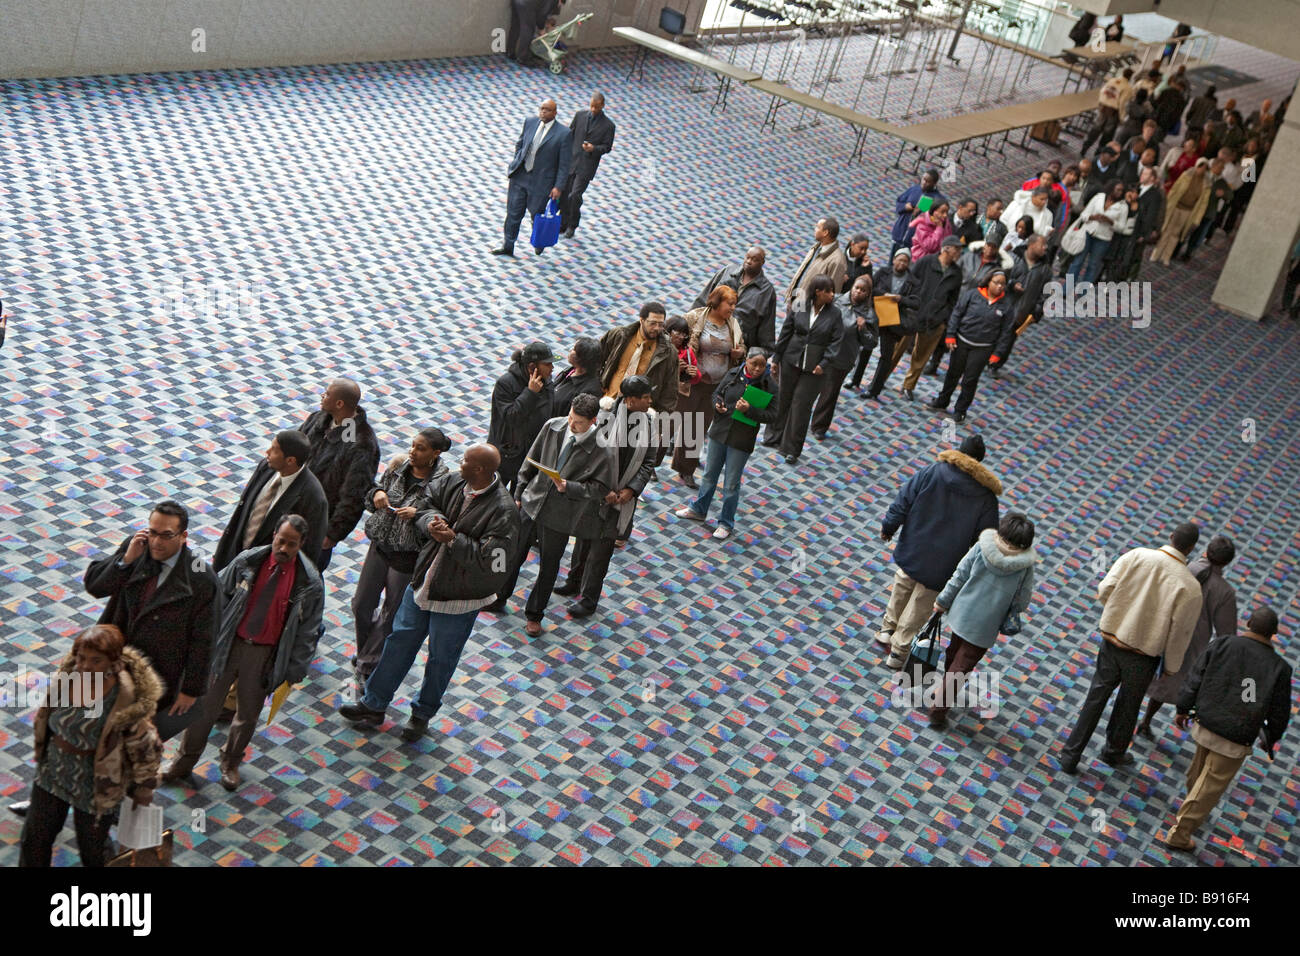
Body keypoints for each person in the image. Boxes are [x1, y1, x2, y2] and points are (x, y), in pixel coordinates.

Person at [338, 445, 520, 741]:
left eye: (465, 462)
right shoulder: (454, 482)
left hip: (460, 597)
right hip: (425, 581)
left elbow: (496, 564)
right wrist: (431, 523)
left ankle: (421, 715)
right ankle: (373, 704)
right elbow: (426, 503)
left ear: (479, 471)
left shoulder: (504, 511)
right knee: (398, 642)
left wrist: (453, 540)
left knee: (441, 658)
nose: (459, 463)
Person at [162, 515, 324, 791]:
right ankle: (183, 762)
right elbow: (216, 594)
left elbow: (307, 631)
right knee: (204, 707)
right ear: (273, 534)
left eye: (291, 544)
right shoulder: (248, 562)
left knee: (247, 714)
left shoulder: (308, 584)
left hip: (264, 654)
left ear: (302, 545)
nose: (283, 548)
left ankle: (230, 762)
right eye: (281, 541)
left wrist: (295, 669)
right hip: (229, 644)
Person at [1057, 523, 1204, 774]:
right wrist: (1171, 667)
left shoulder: (1137, 555)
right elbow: (1181, 633)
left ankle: (1070, 754)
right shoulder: (1189, 587)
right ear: (1191, 548)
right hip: (1144, 656)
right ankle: (1113, 752)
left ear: (1170, 536)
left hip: (1113, 641)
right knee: (1129, 705)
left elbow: (1105, 589)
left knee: (1096, 696)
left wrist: (1117, 613)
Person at [18, 625, 162, 868]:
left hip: (96, 783)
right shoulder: (68, 678)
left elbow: (146, 748)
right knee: (34, 840)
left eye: (96, 661)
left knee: (93, 852)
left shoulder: (123, 699)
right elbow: (48, 718)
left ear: (112, 662)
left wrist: (145, 789)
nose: (85, 666)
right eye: (81, 658)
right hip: (53, 771)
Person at [83, 500, 217, 742]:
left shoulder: (201, 580)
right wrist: (126, 560)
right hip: (112, 662)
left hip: (157, 675)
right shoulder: (136, 549)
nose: (156, 542)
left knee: (135, 741)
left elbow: (204, 640)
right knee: (96, 728)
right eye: (152, 532)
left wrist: (190, 690)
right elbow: (95, 585)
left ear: (183, 536)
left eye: (166, 535)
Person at [1164, 606, 1292, 852]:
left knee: (1199, 772)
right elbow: (1279, 711)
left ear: (1249, 623)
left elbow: (1195, 677)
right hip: (1236, 736)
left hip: (1206, 721)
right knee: (1210, 784)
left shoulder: (1222, 644)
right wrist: (1271, 738)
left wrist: (1182, 707)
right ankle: (1180, 833)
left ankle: (1191, 806)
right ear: (1274, 633)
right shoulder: (1280, 668)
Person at [877, 434, 1001, 669]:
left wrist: (888, 527)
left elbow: (904, 499)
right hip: (945, 561)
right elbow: (984, 540)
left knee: (902, 584)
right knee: (921, 603)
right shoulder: (986, 498)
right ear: (979, 461)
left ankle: (887, 629)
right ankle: (898, 652)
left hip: (914, 545)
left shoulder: (933, 471)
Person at [506, 393, 615, 635]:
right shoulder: (553, 426)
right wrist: (519, 493)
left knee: (548, 567)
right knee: (513, 555)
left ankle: (534, 615)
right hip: (532, 502)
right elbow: (531, 460)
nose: (571, 424)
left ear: (593, 421)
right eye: (570, 417)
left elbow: (602, 488)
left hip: (561, 515)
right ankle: (499, 597)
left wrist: (570, 487)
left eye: (578, 422)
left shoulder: (603, 450)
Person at [351, 428, 451, 685]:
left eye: (420, 448)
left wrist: (417, 515)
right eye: (412, 446)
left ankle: (367, 664)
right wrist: (376, 495)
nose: (412, 452)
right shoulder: (398, 467)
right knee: (361, 604)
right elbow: (370, 496)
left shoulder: (444, 483)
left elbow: (443, 521)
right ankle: (367, 653)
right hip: (380, 547)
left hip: (407, 557)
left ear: (435, 453)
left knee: (389, 614)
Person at [558, 375, 664, 616]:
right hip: (595, 493)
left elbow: (649, 462)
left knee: (601, 551)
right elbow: (587, 455)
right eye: (645, 397)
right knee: (583, 542)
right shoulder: (604, 418)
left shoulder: (649, 422)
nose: (650, 401)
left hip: (620, 500)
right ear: (629, 401)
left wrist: (631, 490)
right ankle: (573, 581)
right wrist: (602, 489)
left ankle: (588, 600)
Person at [926, 514, 1037, 729]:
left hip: (962, 613)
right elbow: (1022, 602)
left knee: (954, 653)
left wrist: (942, 601)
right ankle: (938, 710)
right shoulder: (1024, 567)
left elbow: (960, 575)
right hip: (986, 625)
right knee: (963, 664)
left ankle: (945, 689)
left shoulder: (981, 547)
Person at [1137, 535, 1237, 741]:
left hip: (1161, 626)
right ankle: (1145, 721)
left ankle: (1127, 715)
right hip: (1189, 642)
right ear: (1227, 562)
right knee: (1166, 682)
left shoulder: (1183, 567)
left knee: (1140, 669)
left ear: (1205, 551)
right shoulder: (1225, 592)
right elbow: (1226, 633)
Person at [675, 348, 779, 539]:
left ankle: (726, 522)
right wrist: (718, 405)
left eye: (762, 365)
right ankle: (699, 509)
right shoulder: (733, 374)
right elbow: (716, 394)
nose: (757, 369)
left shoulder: (770, 386)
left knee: (731, 484)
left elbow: (774, 416)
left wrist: (750, 410)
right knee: (709, 476)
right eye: (753, 363)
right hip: (720, 432)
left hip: (741, 439)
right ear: (746, 361)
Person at [212, 430, 328, 572]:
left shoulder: (313, 498)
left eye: (274, 450)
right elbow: (241, 514)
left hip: (266, 573)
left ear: (290, 460)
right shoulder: (266, 467)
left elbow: (309, 552)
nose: (267, 452)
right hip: (233, 561)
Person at [300, 377, 380, 573]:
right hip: (292, 512)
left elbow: (354, 494)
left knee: (304, 580)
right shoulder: (317, 420)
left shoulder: (362, 444)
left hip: (318, 527)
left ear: (339, 403)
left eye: (326, 394)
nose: (321, 396)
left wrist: (333, 534)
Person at [763, 275, 843, 465]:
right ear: (818, 292)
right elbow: (786, 331)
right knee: (783, 397)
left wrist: (823, 364)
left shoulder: (835, 314)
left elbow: (836, 342)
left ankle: (791, 448)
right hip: (791, 359)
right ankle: (773, 436)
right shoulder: (800, 304)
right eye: (829, 291)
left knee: (801, 405)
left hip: (815, 369)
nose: (833, 295)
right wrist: (777, 358)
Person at [673, 286, 745, 488]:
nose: (733, 307)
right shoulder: (695, 317)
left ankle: (685, 470)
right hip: (690, 381)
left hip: (716, 385)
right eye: (729, 303)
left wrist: (740, 353)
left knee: (697, 427)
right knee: (671, 422)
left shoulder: (733, 324)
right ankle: (650, 464)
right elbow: (674, 339)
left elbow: (742, 345)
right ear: (716, 301)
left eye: (734, 304)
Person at [877, 237, 964, 402]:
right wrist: (906, 303)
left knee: (921, 356)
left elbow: (953, 300)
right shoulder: (926, 262)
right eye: (957, 250)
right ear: (946, 249)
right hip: (912, 313)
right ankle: (881, 379)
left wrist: (943, 318)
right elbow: (909, 283)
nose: (959, 253)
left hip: (934, 320)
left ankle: (908, 386)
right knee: (896, 349)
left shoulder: (956, 273)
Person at [925, 270, 1014, 424]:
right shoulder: (973, 294)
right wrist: (950, 335)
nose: (1000, 286)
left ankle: (960, 411)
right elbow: (956, 314)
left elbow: (1007, 332)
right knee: (952, 374)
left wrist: (998, 353)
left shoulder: (1006, 306)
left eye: (1003, 284)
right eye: (996, 282)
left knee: (969, 380)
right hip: (961, 341)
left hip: (983, 348)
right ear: (988, 281)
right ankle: (942, 401)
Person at [491, 98, 572, 257]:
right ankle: (508, 245)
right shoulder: (530, 122)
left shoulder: (564, 134)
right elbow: (520, 144)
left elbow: (564, 164)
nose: (543, 111)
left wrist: (558, 187)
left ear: (555, 113)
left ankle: (539, 241)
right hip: (520, 176)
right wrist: (517, 160)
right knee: (513, 213)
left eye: (547, 109)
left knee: (537, 215)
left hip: (541, 183)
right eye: (541, 108)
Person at [812, 273, 876, 439]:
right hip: (821, 351)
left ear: (868, 294)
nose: (858, 292)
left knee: (829, 394)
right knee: (809, 387)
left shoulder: (869, 315)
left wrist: (864, 330)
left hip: (842, 358)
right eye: (856, 288)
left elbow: (872, 343)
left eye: (863, 290)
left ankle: (819, 426)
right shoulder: (837, 300)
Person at [489, 341, 557, 490]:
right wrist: (530, 393)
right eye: (547, 364)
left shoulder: (547, 382)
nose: (552, 368)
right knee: (493, 494)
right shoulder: (506, 384)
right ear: (532, 366)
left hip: (530, 454)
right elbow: (511, 417)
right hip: (506, 455)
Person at [693, 247, 778, 352]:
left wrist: (761, 352)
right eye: (747, 257)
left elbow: (766, 328)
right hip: (707, 333)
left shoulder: (766, 291)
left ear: (762, 262)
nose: (749, 261)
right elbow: (703, 298)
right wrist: (688, 325)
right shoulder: (728, 272)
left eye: (754, 260)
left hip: (735, 346)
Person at [599, 302, 678, 413]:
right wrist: (596, 388)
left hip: (637, 412)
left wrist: (658, 422)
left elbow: (670, 391)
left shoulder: (669, 353)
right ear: (641, 320)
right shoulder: (619, 335)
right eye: (652, 323)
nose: (657, 328)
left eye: (661, 324)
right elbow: (596, 359)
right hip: (606, 401)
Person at [559, 92, 615, 240]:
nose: (593, 109)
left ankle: (572, 225)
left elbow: (607, 147)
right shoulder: (580, 115)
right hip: (572, 161)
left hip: (587, 165)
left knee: (575, 195)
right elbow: (570, 133)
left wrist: (594, 149)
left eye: (596, 107)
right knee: (565, 194)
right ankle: (563, 223)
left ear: (602, 106)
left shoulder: (608, 126)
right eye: (591, 106)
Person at [993, 235, 1050, 378]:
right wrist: (1011, 284)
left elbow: (1045, 293)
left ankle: (995, 365)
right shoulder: (1013, 258)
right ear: (1031, 244)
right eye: (1042, 244)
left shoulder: (1045, 270)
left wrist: (1037, 311)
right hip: (1001, 304)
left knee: (1008, 340)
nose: (1045, 248)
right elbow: (998, 275)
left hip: (1021, 311)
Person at [855, 250, 909, 396]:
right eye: (900, 259)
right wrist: (885, 295)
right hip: (876, 315)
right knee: (866, 347)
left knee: (886, 356)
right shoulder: (883, 272)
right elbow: (871, 289)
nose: (902, 263)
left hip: (892, 322)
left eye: (905, 261)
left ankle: (874, 389)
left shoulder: (911, 280)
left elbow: (915, 301)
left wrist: (900, 299)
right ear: (894, 260)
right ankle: (855, 380)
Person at [1068, 180, 1129, 283]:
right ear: (1111, 188)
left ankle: (1084, 293)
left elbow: (1121, 228)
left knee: (1093, 266)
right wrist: (1092, 217)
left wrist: (1110, 221)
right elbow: (1084, 215)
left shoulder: (1123, 206)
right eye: (1118, 189)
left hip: (1103, 239)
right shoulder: (1099, 198)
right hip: (1087, 233)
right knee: (1077, 262)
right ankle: (1067, 288)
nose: (1120, 192)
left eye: (1122, 191)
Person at [1150, 160, 1210, 265]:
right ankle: (1156, 254)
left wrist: (1197, 219)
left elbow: (1203, 204)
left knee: (1176, 234)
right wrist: (1167, 205)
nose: (1202, 170)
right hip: (1175, 207)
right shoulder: (1186, 175)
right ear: (1197, 166)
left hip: (1188, 212)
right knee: (1166, 230)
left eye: (1205, 168)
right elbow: (1175, 189)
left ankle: (1166, 257)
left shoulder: (1207, 184)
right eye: (1201, 167)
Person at [787, 216, 848, 310]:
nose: (815, 229)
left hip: (807, 309)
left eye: (817, 227)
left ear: (825, 232)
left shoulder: (837, 261)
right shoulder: (817, 247)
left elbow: (832, 295)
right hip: (796, 300)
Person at [1122, 165, 1165, 279]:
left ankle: (1128, 279)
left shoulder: (1155, 195)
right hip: (1127, 226)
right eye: (1142, 173)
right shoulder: (1136, 187)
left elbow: (1151, 216)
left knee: (1134, 256)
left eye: (1146, 174)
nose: (1142, 176)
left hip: (1139, 230)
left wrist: (1143, 233)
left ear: (1152, 178)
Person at [891, 170, 946, 257]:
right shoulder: (914, 189)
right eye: (923, 179)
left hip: (915, 241)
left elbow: (936, 220)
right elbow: (899, 202)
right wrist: (904, 206)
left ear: (934, 183)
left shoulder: (937, 199)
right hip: (900, 233)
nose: (924, 183)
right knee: (892, 264)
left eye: (928, 182)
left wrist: (921, 213)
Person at [551, 337, 605, 416]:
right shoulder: (570, 370)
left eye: (573, 349)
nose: (570, 350)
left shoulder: (590, 391)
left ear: (582, 358)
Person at [507, 0, 561, 66]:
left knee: (515, 26)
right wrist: (541, 28)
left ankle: (510, 52)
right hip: (527, 3)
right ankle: (523, 58)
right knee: (528, 29)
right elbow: (542, 15)